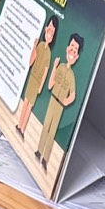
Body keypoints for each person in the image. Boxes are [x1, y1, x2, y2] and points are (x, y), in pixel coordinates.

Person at [37, 33, 83, 170]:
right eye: (72, 48)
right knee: (46, 126)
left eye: (75, 51)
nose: (72, 52)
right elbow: (50, 84)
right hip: (52, 99)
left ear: (77, 56)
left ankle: (45, 158)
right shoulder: (61, 67)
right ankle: (39, 150)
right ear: (67, 48)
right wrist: (54, 68)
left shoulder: (71, 75)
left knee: (52, 131)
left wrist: (65, 101)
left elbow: (73, 94)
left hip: (59, 105)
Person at [17, 14, 57, 137]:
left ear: (54, 35)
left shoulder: (49, 54)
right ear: (45, 29)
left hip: (38, 81)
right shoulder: (39, 46)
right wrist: (34, 45)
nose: (49, 32)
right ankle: (19, 125)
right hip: (32, 78)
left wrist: (40, 87)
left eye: (52, 31)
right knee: (26, 102)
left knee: (30, 105)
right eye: (48, 29)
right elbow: (31, 61)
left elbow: (46, 71)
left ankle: (23, 129)